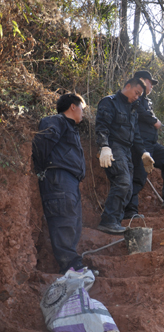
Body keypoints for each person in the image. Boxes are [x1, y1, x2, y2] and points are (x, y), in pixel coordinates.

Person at [32, 93, 86, 274]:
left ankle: (72, 263)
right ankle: (71, 265)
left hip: (69, 181)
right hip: (59, 178)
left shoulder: (69, 127)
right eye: (82, 109)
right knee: (64, 219)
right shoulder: (56, 121)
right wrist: (42, 170)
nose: (83, 113)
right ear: (73, 106)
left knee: (73, 220)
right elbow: (41, 143)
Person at [95, 78, 155, 234]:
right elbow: (102, 126)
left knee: (128, 188)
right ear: (128, 86)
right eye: (136, 93)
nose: (137, 97)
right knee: (122, 181)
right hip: (114, 146)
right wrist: (104, 146)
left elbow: (135, 134)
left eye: (140, 95)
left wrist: (143, 152)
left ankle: (115, 221)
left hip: (127, 150)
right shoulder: (110, 102)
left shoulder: (132, 108)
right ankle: (108, 221)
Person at [123, 71, 164, 218]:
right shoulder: (134, 97)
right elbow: (138, 111)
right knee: (139, 176)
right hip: (140, 143)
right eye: (150, 82)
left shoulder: (147, 101)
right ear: (141, 80)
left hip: (152, 144)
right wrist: (153, 120)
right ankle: (130, 211)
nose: (152, 86)